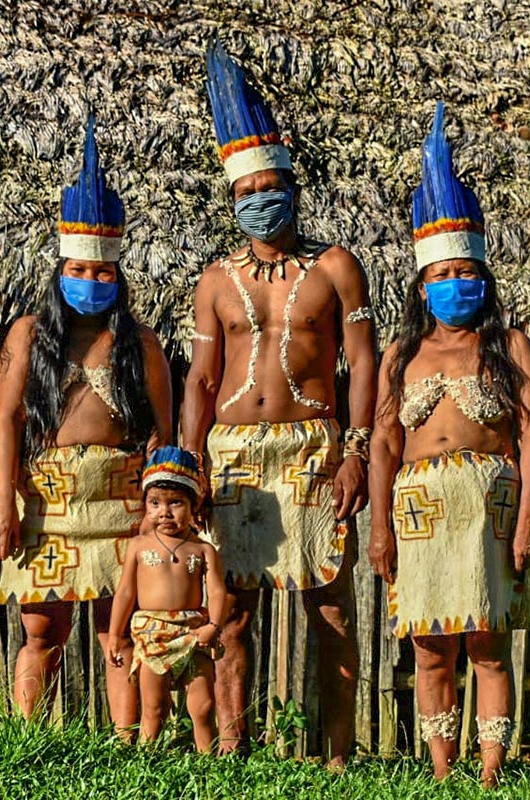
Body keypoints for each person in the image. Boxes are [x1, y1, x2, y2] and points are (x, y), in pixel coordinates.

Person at [180, 42, 376, 766]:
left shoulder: (336, 268)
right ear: (232, 199)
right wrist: (188, 463)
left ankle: (338, 757)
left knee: (330, 613)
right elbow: (202, 382)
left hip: (312, 451)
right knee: (230, 617)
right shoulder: (213, 280)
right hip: (233, 459)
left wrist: (354, 456)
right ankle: (231, 749)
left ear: (292, 186)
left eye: (271, 185)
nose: (260, 199)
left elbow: (363, 366)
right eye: (246, 190)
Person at [368, 103, 530, 787]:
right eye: (441, 277)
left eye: (464, 274)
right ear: (421, 283)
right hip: (417, 515)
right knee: (430, 647)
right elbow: (385, 445)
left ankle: (492, 771)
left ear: (483, 276)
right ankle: (443, 773)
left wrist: (527, 520)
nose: (454, 285)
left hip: (488, 511)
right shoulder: (401, 354)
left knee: (487, 645)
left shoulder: (509, 345)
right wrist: (380, 525)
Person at [0, 117, 173, 736]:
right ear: (59, 270)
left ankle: (128, 748)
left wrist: (155, 504)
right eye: (80, 271)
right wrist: (1, 499)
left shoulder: (140, 344)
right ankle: (27, 740)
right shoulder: (27, 335)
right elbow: (7, 422)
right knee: (43, 625)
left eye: (103, 273)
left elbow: (160, 432)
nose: (91, 282)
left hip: (120, 498)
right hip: (47, 499)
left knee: (117, 626)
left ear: (118, 277)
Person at [106, 447, 229, 752]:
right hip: (152, 634)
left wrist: (214, 624)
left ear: (193, 505)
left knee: (202, 706)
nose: (165, 512)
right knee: (154, 709)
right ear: (145, 505)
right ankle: (147, 763)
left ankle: (209, 764)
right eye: (155, 503)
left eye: (176, 503)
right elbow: (125, 593)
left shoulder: (203, 550)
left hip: (193, 632)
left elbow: (216, 591)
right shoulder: (138, 546)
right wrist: (114, 635)